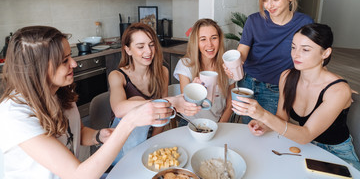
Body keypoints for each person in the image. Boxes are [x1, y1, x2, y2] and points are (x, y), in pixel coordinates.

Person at [0, 26, 173, 179]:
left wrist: (98, 135)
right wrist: (130, 121)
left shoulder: (61, 93)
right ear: (37, 68)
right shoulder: (14, 114)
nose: (74, 63)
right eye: (64, 61)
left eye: (71, 56)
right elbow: (78, 175)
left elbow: (77, 131)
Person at [232, 23, 360, 168]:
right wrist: (265, 125)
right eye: (293, 47)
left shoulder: (338, 90)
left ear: (325, 53)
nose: (296, 54)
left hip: (335, 153)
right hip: (303, 146)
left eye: (305, 49)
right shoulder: (287, 77)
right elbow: (282, 117)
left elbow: (306, 134)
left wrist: (263, 115)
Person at [225, 0, 314, 124]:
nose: (269, 5)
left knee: (270, 130)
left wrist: (334, 84)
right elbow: (242, 53)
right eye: (265, 0)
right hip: (247, 83)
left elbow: (313, 58)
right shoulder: (254, 20)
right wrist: (234, 64)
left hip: (276, 88)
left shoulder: (304, 23)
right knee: (248, 128)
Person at [108, 23, 200, 163]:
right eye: (140, 46)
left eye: (151, 45)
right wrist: (171, 102)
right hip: (121, 141)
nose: (148, 51)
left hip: (149, 136)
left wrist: (151, 142)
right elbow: (119, 109)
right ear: (128, 50)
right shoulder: (117, 75)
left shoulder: (162, 71)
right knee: (137, 100)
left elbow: (163, 115)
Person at [174, 19, 235, 125]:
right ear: (196, 42)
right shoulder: (185, 65)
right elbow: (185, 103)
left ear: (219, 39)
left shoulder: (227, 66)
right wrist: (193, 90)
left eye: (214, 38)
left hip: (218, 122)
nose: (209, 44)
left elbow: (230, 103)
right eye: (203, 39)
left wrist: (220, 124)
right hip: (190, 122)